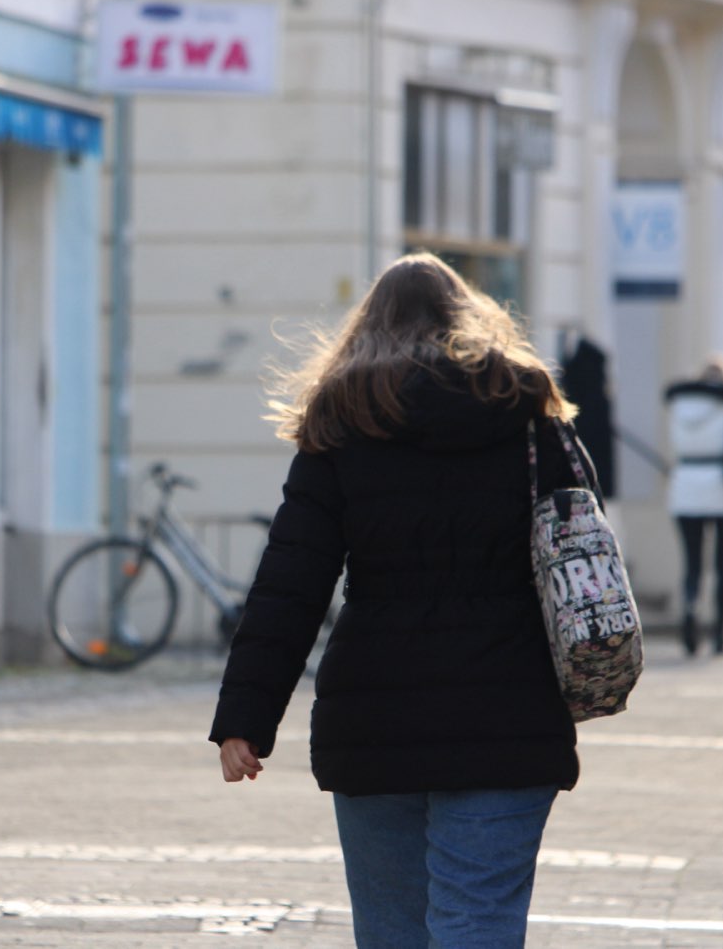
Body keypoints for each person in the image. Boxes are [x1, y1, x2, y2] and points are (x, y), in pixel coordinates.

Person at [210, 252, 590, 948]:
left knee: (391, 933)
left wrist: (245, 717)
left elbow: (290, 582)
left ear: (366, 326)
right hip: (507, 715)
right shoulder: (528, 410)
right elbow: (581, 537)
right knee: (478, 921)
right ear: (469, 317)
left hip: (375, 719)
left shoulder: (341, 421)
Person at [663, 354, 723, 656]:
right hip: (721, 487)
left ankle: (690, 610)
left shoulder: (680, 402)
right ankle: (720, 631)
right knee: (721, 563)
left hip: (685, 484)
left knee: (692, 564)